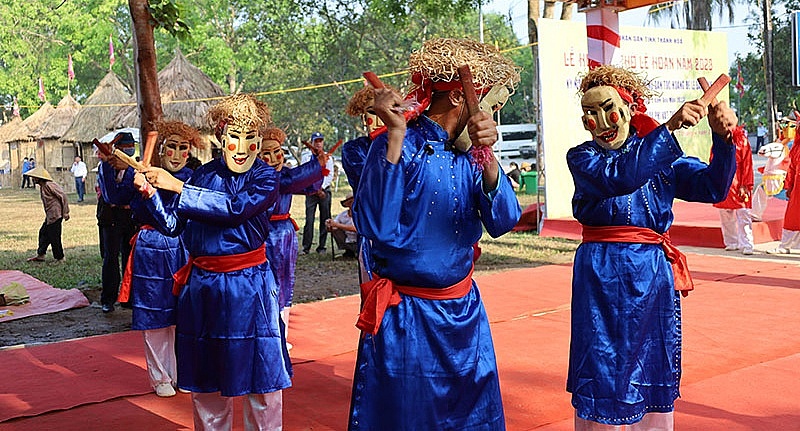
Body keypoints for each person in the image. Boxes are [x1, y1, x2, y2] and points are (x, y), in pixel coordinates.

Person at [347, 38, 521, 430]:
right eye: (492, 105)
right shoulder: (399, 144)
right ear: (462, 98)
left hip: (465, 315)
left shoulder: (473, 153)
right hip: (407, 319)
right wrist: (393, 136)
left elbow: (504, 221)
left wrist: (489, 157)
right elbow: (375, 226)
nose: (493, 116)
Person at [566, 65, 738, 430]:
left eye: (607, 109)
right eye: (590, 114)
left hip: (651, 276)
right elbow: (622, 176)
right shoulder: (583, 158)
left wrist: (724, 139)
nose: (600, 121)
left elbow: (713, 188)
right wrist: (671, 129)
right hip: (600, 276)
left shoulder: (663, 158)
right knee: (601, 367)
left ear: (629, 109)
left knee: (652, 364)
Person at [138, 94, 290, 430]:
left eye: (250, 139)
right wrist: (151, 194)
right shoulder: (201, 175)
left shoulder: (265, 177)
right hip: (203, 288)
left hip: (250, 287)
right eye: (233, 137)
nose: (240, 147)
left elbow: (235, 207)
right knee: (207, 384)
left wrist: (177, 186)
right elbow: (174, 225)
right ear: (221, 137)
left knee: (261, 381)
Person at [112, 121, 204, 398]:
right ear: (161, 150)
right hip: (150, 251)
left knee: (185, 317)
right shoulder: (141, 174)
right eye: (171, 147)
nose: (176, 155)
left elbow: (172, 221)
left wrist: (152, 192)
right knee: (155, 317)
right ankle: (160, 377)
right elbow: (117, 198)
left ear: (189, 152)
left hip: (184, 249)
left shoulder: (192, 179)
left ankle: (185, 374)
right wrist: (121, 173)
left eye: (182, 148)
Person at [260, 126, 326, 351]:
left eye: (277, 152)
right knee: (267, 285)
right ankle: (268, 334)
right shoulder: (264, 176)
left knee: (286, 284)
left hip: (286, 233)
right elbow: (289, 180)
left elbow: (309, 185)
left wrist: (317, 169)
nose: (272, 158)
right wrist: (316, 165)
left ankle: (282, 333)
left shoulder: (286, 173)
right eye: (265, 154)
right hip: (264, 234)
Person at [96, 132, 139, 313]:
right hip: (111, 217)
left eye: (130, 147)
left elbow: (132, 192)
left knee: (131, 258)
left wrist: (129, 169)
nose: (128, 151)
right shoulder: (105, 167)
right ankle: (108, 299)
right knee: (111, 258)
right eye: (123, 149)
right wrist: (107, 163)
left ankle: (128, 297)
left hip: (130, 219)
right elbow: (112, 195)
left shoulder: (136, 167)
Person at [715, 125, 755, 255]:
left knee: (743, 213)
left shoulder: (742, 140)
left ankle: (747, 243)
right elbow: (713, 160)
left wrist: (745, 184)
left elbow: (747, 163)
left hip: (739, 181)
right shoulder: (719, 140)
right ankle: (731, 242)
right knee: (725, 214)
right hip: (724, 180)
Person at [766, 122, 800, 254]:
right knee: (792, 217)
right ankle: (784, 246)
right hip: (797, 187)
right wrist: (789, 186)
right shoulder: (796, 147)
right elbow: (791, 168)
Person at [25, 166, 70, 263]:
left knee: (54, 237)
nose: (33, 179)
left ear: (39, 177)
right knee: (43, 233)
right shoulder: (43, 186)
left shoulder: (49, 185)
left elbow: (63, 196)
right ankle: (41, 255)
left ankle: (60, 258)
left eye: (34, 177)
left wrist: (66, 212)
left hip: (56, 215)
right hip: (50, 216)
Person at [300, 131, 334, 254]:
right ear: (312, 143)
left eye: (320, 141)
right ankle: (306, 246)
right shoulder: (306, 157)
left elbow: (329, 175)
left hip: (324, 191)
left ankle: (322, 246)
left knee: (325, 218)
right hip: (310, 191)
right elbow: (304, 173)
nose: (318, 144)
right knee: (309, 219)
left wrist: (321, 187)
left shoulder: (328, 157)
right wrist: (314, 188)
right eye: (316, 141)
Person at [326, 192, 357, 258]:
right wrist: (329, 225)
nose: (353, 204)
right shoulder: (342, 215)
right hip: (348, 240)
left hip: (360, 241)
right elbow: (333, 225)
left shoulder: (362, 214)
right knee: (335, 229)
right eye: (350, 202)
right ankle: (348, 250)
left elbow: (356, 229)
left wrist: (337, 225)